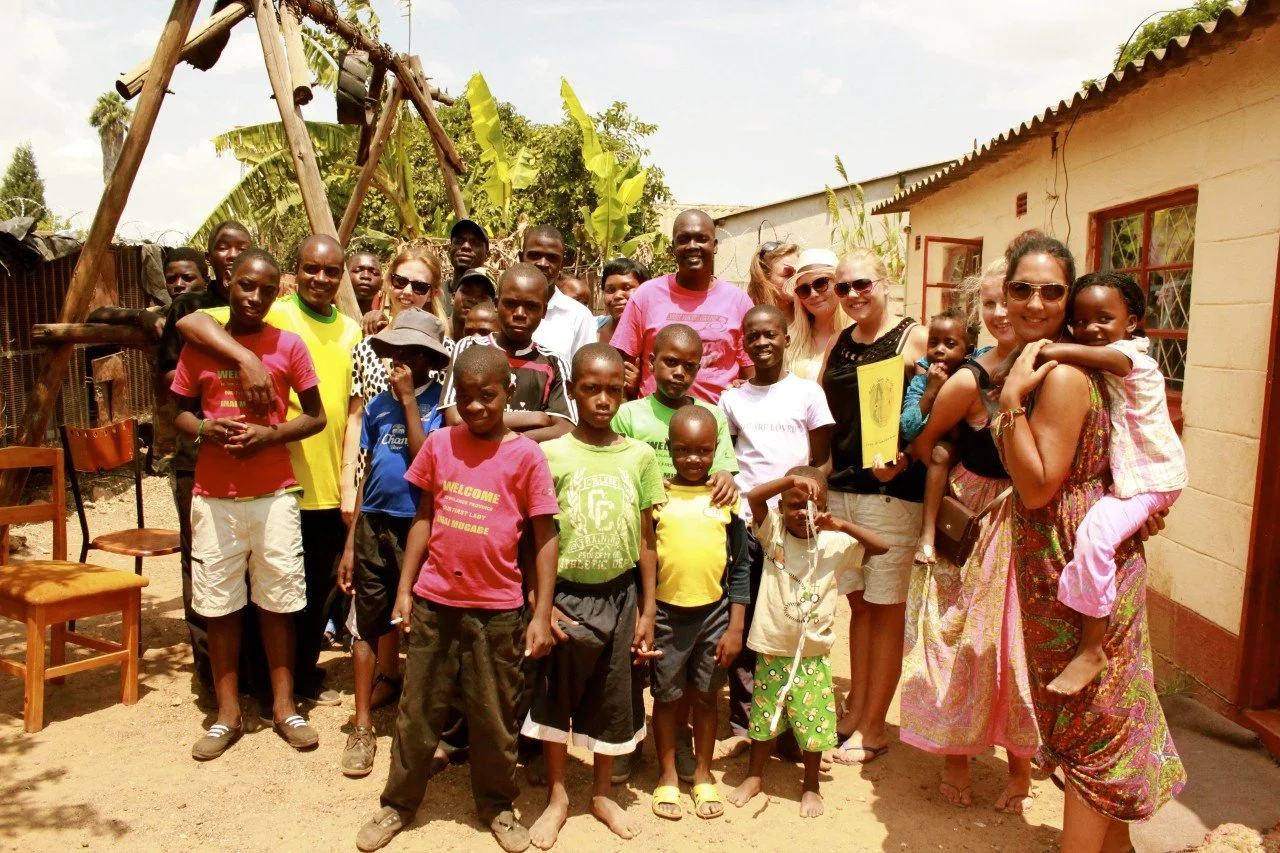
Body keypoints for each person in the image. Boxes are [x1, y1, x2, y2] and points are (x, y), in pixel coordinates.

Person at [996, 236, 1183, 852]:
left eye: (1051, 291)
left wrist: (1008, 404)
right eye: (1022, 289)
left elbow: (1036, 487)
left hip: (1069, 560)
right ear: (1005, 295)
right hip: (1077, 553)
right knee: (1104, 713)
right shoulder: (1062, 364)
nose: (1035, 302)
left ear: (1067, 299)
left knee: (1091, 723)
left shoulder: (1063, 375)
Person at [356, 344, 559, 853]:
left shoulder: (527, 456)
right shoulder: (440, 445)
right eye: (465, 397)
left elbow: (544, 538)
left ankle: (497, 805)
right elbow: (424, 516)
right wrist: (404, 589)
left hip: (498, 609)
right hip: (435, 601)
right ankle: (397, 804)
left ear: (507, 392)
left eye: (487, 396)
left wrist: (540, 613)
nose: (475, 407)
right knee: (418, 710)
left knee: (493, 714)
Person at [178, 233, 362, 706]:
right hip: (274, 479)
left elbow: (344, 411)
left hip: (324, 480)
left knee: (304, 595)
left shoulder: (351, 330)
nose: (321, 278)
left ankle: (295, 686)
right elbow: (191, 321)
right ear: (293, 276)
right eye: (311, 268)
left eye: (331, 271)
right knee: (246, 594)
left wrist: (348, 478)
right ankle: (247, 690)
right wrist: (246, 358)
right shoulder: (272, 312)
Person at [172, 249, 327, 760]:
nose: (254, 297)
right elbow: (179, 415)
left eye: (265, 289)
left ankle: (284, 707)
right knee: (220, 608)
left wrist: (269, 435)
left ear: (277, 291)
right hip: (214, 497)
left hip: (274, 494)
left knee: (278, 603)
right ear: (228, 282)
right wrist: (206, 429)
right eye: (245, 285)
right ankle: (227, 714)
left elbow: (317, 417)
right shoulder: (202, 344)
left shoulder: (289, 345)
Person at [901, 260, 1038, 812]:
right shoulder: (969, 377)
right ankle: (955, 757)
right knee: (954, 635)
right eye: (990, 303)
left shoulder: (1054, 363)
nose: (1002, 312)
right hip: (974, 518)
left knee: (1018, 645)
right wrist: (954, 471)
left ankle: (1021, 767)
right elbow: (923, 442)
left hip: (1033, 519)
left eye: (1009, 299)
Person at [520, 344, 664, 847]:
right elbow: (534, 537)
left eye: (614, 390)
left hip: (621, 596)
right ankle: (558, 795)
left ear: (625, 392)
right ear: (573, 390)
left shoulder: (640, 456)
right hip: (565, 597)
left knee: (613, 696)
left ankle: (602, 793)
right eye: (591, 389)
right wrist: (540, 604)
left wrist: (648, 608)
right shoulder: (551, 454)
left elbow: (646, 538)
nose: (603, 400)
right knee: (555, 696)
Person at [1031, 272, 1186, 696]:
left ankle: (1091, 648)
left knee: (1095, 536)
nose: (1091, 329)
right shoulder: (1099, 361)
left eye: (1104, 318)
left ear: (1131, 322)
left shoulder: (1134, 356)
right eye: (1080, 321)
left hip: (1152, 478)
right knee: (1098, 535)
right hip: (1139, 479)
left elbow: (1111, 360)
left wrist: (1049, 349)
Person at [726, 468, 887, 818]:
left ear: (825, 508)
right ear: (781, 508)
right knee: (764, 720)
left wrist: (841, 525)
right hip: (772, 650)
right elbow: (754, 497)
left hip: (812, 656)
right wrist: (790, 483)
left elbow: (881, 547)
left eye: (812, 506)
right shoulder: (774, 534)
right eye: (794, 505)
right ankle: (754, 777)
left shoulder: (834, 544)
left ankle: (811, 785)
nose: (803, 513)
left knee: (813, 724)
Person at [819, 247, 928, 765]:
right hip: (843, 489)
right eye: (843, 287)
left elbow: (935, 409)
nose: (852, 295)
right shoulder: (839, 342)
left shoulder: (915, 337)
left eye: (862, 283)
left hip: (890, 494)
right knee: (859, 605)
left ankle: (876, 726)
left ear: (885, 282)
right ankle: (857, 711)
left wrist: (906, 457)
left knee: (886, 610)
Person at [715, 304, 833, 760]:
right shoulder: (732, 400)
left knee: (790, 621)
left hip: (792, 529)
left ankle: (791, 723)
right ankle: (746, 724)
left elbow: (822, 461)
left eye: (770, 334)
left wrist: (807, 498)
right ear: (742, 342)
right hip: (746, 524)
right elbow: (726, 460)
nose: (762, 342)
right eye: (753, 336)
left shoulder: (807, 393)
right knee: (746, 623)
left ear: (786, 338)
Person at [336, 309, 451, 778]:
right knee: (367, 622)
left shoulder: (441, 405)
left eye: (411, 353)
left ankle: (416, 728)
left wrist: (408, 401)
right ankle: (362, 725)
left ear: (429, 359)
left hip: (420, 528)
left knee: (422, 626)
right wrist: (351, 541)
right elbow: (368, 471)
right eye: (394, 351)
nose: (399, 361)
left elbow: (428, 463)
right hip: (374, 525)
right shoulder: (377, 404)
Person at [649, 405, 751, 822]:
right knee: (667, 698)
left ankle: (703, 774)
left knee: (707, 698)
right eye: (683, 450)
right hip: (666, 617)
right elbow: (644, 561)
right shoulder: (657, 497)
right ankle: (668, 775)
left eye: (704, 450)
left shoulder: (726, 498)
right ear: (669, 448)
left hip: (713, 617)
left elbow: (740, 567)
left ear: (716, 449)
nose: (693, 458)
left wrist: (735, 626)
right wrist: (645, 615)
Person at [344, 246, 447, 524]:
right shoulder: (366, 347)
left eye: (419, 286)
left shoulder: (445, 353)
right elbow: (356, 417)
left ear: (433, 293)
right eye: (400, 281)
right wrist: (348, 485)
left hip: (422, 496)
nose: (407, 292)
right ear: (389, 282)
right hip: (372, 489)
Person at [611, 209, 754, 403]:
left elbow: (751, 373)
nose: (692, 246)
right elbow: (620, 367)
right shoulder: (646, 296)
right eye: (684, 239)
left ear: (714, 246)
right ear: (673, 248)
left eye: (701, 239)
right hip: (655, 418)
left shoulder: (738, 301)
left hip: (717, 417)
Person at [442, 263, 576, 443]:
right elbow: (455, 419)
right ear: (496, 304)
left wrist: (510, 443)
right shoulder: (469, 347)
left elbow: (565, 430)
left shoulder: (554, 362)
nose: (520, 313)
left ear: (544, 311)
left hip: (524, 460)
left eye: (531, 306)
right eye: (511, 304)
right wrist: (535, 417)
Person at [902, 308, 978, 565]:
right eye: (933, 342)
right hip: (942, 451)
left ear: (968, 350)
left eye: (950, 343)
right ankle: (927, 533)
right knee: (940, 452)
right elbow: (908, 428)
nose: (939, 350)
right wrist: (931, 391)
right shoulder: (923, 381)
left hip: (974, 450)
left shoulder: (977, 370)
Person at [522, 225, 596, 369]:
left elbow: (585, 372)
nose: (543, 264)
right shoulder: (502, 309)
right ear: (521, 257)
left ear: (561, 264)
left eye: (552, 258)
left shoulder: (579, 316)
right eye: (535, 255)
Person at [786, 248, 849, 381]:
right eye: (804, 289)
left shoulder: (859, 333)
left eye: (820, 284)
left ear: (839, 285)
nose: (813, 294)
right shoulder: (789, 339)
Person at [440, 218, 490, 318]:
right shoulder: (435, 294)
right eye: (459, 241)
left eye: (475, 243)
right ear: (449, 250)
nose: (466, 246)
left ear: (487, 255)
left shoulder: (492, 300)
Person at [597, 257, 647, 346]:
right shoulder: (590, 328)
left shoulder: (655, 332)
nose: (617, 296)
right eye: (610, 290)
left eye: (627, 288)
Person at [745, 240, 799, 317]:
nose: (796, 279)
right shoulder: (747, 315)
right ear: (764, 277)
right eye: (787, 274)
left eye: (799, 272)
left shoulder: (811, 314)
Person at [450, 268, 498, 342]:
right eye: (466, 292)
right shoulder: (434, 335)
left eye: (482, 297)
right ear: (453, 297)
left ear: (494, 305)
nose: (473, 300)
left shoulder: (497, 345)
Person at [348, 251, 384, 315]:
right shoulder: (328, 315)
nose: (366, 276)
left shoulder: (387, 321)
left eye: (374, 272)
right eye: (357, 270)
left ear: (381, 283)